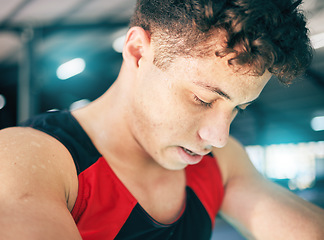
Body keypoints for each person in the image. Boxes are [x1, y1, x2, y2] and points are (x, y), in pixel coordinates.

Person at [0, 0, 323, 239]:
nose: (219, 137)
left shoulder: (222, 163)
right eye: (203, 99)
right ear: (139, 51)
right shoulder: (25, 159)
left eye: (239, 108)